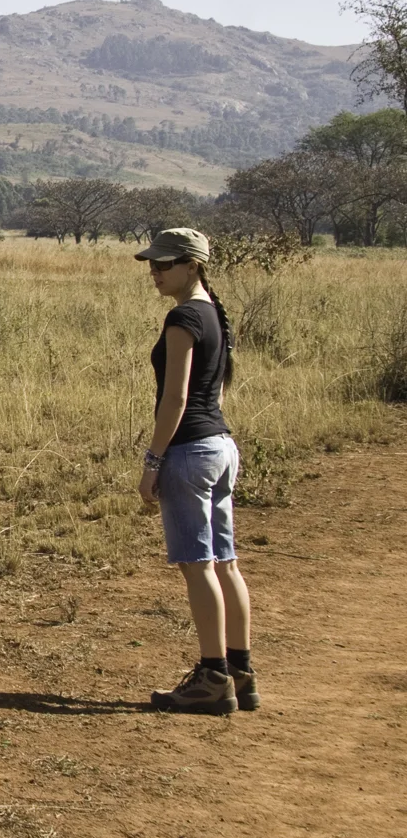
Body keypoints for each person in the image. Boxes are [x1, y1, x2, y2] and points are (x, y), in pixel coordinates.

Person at [134, 227, 256, 715]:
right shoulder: (214, 315)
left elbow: (177, 397)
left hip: (190, 452)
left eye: (164, 265)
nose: (155, 273)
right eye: (152, 265)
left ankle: (211, 676)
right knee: (226, 562)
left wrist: (154, 459)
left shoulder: (183, 317)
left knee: (198, 564)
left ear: (193, 265)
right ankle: (239, 669)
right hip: (221, 446)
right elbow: (216, 392)